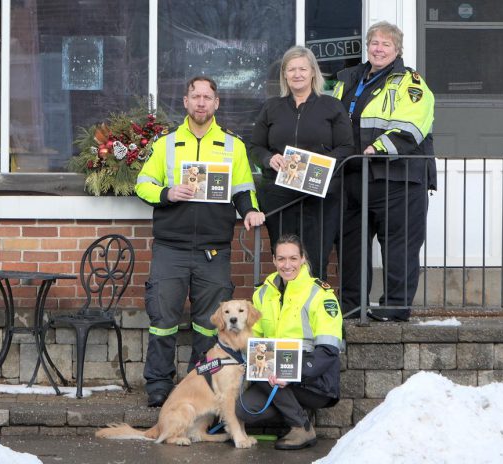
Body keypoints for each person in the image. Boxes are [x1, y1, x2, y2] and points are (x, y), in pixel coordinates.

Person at [136, 76, 265, 407]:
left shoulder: (232, 146)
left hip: (214, 248)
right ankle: (159, 385)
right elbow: (143, 183)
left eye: (208, 97)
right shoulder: (166, 144)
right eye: (196, 96)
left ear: (216, 103)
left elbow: (244, 189)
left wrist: (250, 211)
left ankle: (202, 382)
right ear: (185, 101)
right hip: (171, 247)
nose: (201, 102)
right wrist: (167, 192)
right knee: (163, 320)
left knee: (209, 324)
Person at [332, 21, 436, 321]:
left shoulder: (411, 82)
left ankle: (394, 307)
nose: (378, 48)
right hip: (353, 177)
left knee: (399, 249)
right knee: (351, 248)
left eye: (385, 44)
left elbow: (413, 124)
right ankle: (352, 307)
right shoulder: (347, 79)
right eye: (374, 43)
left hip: (399, 179)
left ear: (397, 49)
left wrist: (376, 148)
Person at [249, 46, 354, 279]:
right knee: (285, 257)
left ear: (313, 72)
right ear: (284, 74)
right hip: (279, 195)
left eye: (303, 69)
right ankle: (287, 310)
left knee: (315, 256)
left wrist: (319, 163)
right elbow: (255, 147)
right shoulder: (271, 107)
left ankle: (311, 310)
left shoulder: (331, 106)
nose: (297, 74)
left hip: (319, 197)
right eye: (291, 69)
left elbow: (347, 147)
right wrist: (268, 158)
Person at [236, 234, 343, 450]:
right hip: (273, 373)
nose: (287, 265)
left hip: (315, 379)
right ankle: (290, 406)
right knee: (243, 409)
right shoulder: (263, 293)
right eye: (282, 259)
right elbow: (252, 339)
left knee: (266, 374)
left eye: (293, 258)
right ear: (274, 260)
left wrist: (291, 374)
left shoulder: (321, 294)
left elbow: (329, 351)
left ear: (303, 259)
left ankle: (301, 427)